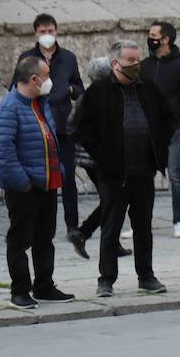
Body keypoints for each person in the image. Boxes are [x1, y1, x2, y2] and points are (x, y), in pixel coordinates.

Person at [75, 40, 174, 298]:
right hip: (113, 174)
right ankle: (106, 279)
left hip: (144, 172)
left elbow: (168, 117)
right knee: (111, 227)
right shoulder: (98, 92)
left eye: (138, 59)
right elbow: (81, 128)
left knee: (143, 228)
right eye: (131, 60)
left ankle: (147, 276)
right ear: (115, 63)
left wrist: (159, 147)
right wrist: (102, 154)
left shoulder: (149, 89)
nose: (136, 64)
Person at [0, 57, 74, 308]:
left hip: (47, 183)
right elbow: (3, 153)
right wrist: (23, 183)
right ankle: (19, 290)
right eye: (47, 75)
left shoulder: (40, 103)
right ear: (34, 79)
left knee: (44, 237)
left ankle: (44, 285)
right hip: (25, 187)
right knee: (20, 240)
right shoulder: (8, 108)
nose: (51, 81)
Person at [10, 14, 84, 243]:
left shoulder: (68, 58)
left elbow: (79, 87)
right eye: (42, 31)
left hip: (62, 125)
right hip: (36, 124)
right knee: (40, 175)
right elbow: (15, 87)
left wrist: (71, 90)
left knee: (68, 177)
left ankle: (72, 225)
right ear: (35, 33)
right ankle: (37, 223)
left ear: (56, 31)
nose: (46, 35)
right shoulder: (26, 58)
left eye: (50, 30)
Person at [142, 21, 180, 238]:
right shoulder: (144, 66)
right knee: (142, 175)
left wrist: (177, 112)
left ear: (165, 39)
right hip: (147, 129)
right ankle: (139, 220)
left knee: (175, 173)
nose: (149, 38)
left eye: (153, 35)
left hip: (171, 128)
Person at [66, 57, 132, 262]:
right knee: (114, 198)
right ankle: (84, 233)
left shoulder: (88, 96)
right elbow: (74, 127)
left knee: (113, 198)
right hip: (98, 161)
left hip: (90, 160)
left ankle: (108, 241)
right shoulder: (97, 97)